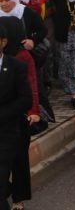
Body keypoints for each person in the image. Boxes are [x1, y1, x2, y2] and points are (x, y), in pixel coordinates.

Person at [0, 24, 33, 210]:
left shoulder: (16, 66)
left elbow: (25, 99)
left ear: (3, 42)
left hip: (8, 132)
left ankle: (17, 196)